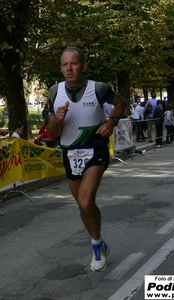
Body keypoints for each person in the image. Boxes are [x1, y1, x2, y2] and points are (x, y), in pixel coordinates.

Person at [47, 47, 126, 272]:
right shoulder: (54, 91)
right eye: (65, 65)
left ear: (83, 66)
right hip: (70, 152)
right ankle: (99, 241)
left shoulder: (98, 88)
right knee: (84, 206)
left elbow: (121, 103)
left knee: (85, 201)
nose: (69, 68)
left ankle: (95, 247)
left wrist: (111, 122)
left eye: (73, 64)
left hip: (95, 148)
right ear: (61, 68)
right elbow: (52, 132)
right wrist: (58, 119)